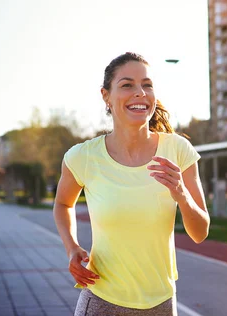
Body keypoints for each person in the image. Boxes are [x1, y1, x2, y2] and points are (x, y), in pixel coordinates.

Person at [53, 52, 210, 315]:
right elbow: (62, 204)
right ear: (106, 96)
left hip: (160, 302)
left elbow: (200, 232)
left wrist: (181, 194)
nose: (140, 92)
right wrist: (72, 248)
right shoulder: (83, 157)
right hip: (101, 300)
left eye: (147, 85)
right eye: (127, 85)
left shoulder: (178, 150)